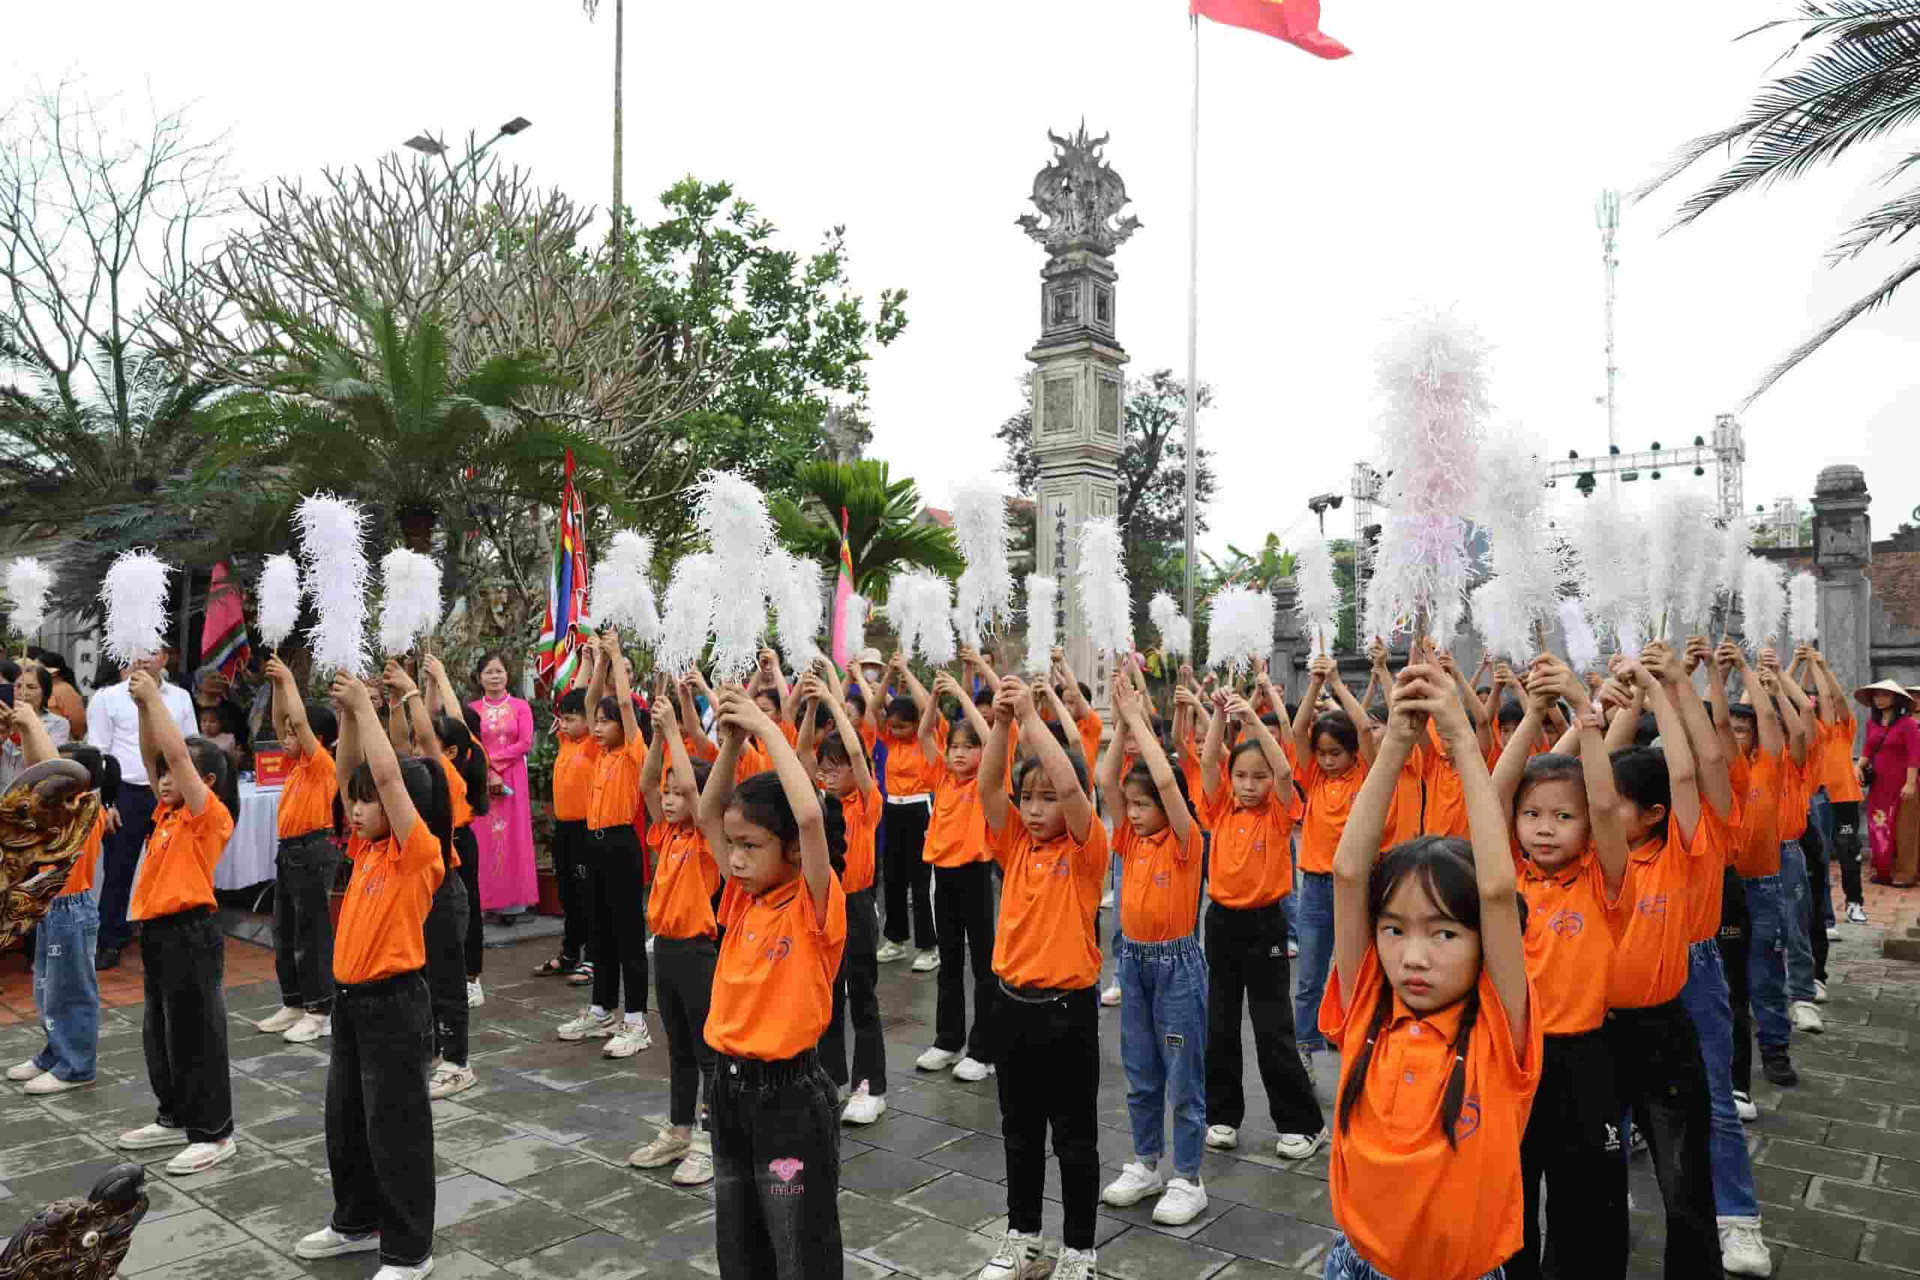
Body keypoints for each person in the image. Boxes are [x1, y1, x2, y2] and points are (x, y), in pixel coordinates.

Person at [1320, 657, 1539, 1280]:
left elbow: (1497, 890)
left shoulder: (1500, 1030)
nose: (1413, 956)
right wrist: (1394, 744)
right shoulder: (1369, 1004)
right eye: (1394, 929)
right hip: (1356, 1264)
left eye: (1444, 932)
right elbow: (1346, 873)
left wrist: (1464, 740)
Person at [292, 672, 447, 1280]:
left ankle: (410, 1251)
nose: (356, 810)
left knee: (397, 1130)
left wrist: (368, 708)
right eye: (353, 802)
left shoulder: (418, 854)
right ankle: (356, 1222)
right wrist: (353, 717)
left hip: (395, 1006)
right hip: (352, 1005)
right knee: (346, 1121)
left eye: (369, 801)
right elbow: (353, 772)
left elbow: (386, 776)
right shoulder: (366, 849)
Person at [1488, 657, 1631, 1280]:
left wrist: (1587, 715)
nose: (1545, 828)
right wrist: (1537, 713)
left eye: (1561, 817)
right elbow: (1495, 789)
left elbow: (1602, 802)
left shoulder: (1604, 881)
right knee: (1509, 1197)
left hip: (1585, 1059)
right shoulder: (1505, 879)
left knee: (1586, 1202)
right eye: (1533, 815)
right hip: (1513, 1061)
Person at [698, 686, 847, 1279]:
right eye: (732, 847)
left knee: (799, 1247)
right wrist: (731, 744)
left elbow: (808, 813)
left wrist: (764, 724)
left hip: (789, 1099)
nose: (734, 858)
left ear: (790, 852)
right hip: (728, 1092)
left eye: (750, 847)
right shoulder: (742, 899)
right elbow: (709, 813)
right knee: (739, 1242)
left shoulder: (812, 906)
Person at [976, 678, 1106, 1280]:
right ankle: (1023, 1236)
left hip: (1066, 1012)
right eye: (1028, 798)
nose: (1033, 810)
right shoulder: (1015, 846)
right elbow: (987, 785)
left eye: (1046, 799)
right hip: (1010, 1006)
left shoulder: (1085, 850)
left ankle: (1079, 1248)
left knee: (1074, 1138)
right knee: (1018, 1132)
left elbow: (1075, 786)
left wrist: (1032, 715)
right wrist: (1003, 722)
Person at [1604, 651, 1726, 1275]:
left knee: (1683, 1181)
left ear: (1652, 815)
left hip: (1661, 1029)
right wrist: (1615, 707)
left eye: (1617, 805)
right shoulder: (1589, 859)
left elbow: (1690, 773)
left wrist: (1661, 689)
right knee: (1592, 1184)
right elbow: (1588, 776)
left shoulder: (1678, 854)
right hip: (1591, 1032)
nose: (1601, 812)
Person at [1097, 672, 1213, 1227]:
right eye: (1132, 804)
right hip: (1134, 963)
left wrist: (1143, 723)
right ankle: (1145, 1162)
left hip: (1178, 967)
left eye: (1145, 804)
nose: (1137, 811)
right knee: (1140, 1070)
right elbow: (1103, 776)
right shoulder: (1128, 841)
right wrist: (1121, 726)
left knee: (1182, 1074)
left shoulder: (1187, 844)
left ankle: (1188, 1176)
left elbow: (1168, 784)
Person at [1197, 668, 1326, 1167]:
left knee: (1272, 1025)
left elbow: (1289, 770)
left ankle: (1300, 1124)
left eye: (1259, 777)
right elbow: (1209, 758)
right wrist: (1218, 716)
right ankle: (1222, 1114)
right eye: (1242, 777)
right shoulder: (1220, 809)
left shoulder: (1279, 811)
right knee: (1221, 1023)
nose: (1250, 785)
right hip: (1222, 923)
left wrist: (1251, 715)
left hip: (1267, 924)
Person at [114, 667, 240, 1176]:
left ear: (204, 783)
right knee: (160, 1032)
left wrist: (158, 699)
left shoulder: (206, 815)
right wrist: (144, 707)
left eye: (174, 773)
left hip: (192, 933)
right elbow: (154, 754)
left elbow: (179, 756)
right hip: (158, 934)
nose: (163, 777)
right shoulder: (165, 813)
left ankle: (214, 1133)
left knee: (197, 1035)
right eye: (161, 772)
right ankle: (173, 1115)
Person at [627, 692, 720, 1185]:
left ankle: (710, 1138)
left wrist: (673, 735)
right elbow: (646, 783)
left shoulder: (707, 836)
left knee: (708, 1051)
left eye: (678, 793)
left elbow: (693, 786)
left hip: (700, 952)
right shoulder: (667, 835)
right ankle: (679, 1129)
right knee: (678, 1047)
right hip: (664, 947)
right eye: (669, 792)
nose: (668, 797)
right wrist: (660, 738)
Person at [799, 665, 889, 1125]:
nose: (831, 775)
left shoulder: (867, 803)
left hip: (856, 904)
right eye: (826, 768)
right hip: (824, 905)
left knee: (863, 996)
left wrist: (836, 702)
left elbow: (857, 750)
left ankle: (870, 1084)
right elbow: (799, 755)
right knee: (828, 995)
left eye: (839, 769)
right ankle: (831, 1076)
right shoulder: (819, 802)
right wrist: (812, 704)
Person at [3, 708, 110, 1094]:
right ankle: (55, 1052)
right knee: (48, 987)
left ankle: (77, 1066)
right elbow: (40, 768)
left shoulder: (86, 809)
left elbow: (52, 771)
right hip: (50, 906)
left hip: (72, 910)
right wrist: (26, 729)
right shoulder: (58, 811)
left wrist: (32, 722)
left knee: (72, 991)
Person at [557, 632, 653, 1054]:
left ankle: (636, 1020)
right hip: (591, 846)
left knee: (628, 933)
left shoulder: (634, 752)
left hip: (620, 846)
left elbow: (626, 707)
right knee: (600, 933)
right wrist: (595, 661)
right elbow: (590, 698)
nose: (597, 727)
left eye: (605, 722)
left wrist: (615, 655)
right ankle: (601, 1011)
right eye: (596, 721)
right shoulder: (597, 753)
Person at [1291, 652, 1384, 1065]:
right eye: (1322, 753)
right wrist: (1314, 685)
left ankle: (1356, 1042)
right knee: (1309, 976)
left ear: (1352, 754)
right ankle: (1306, 1051)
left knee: (1355, 972)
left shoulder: (1364, 774)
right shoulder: (1311, 777)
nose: (1328, 761)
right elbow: (1298, 730)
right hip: (1313, 888)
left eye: (1336, 754)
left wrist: (1338, 683)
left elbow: (1363, 726)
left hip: (1354, 888)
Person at [1718, 643, 1802, 1089]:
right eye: (1730, 729)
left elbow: (1771, 719)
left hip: (1764, 885)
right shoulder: (1720, 772)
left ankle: (1775, 1049)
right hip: (1725, 889)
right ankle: (1731, 1065)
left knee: (1766, 973)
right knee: (1728, 983)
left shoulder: (1770, 767)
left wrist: (1747, 669)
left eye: (1743, 729)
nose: (1737, 734)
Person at [913, 666, 1000, 1082]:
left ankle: (984, 1049)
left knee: (984, 964)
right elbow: (924, 735)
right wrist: (935, 697)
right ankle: (948, 1040)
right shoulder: (943, 778)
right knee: (948, 962)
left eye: (969, 747)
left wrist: (965, 699)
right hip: (942, 878)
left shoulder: (986, 781)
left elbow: (990, 733)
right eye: (955, 748)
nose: (960, 754)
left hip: (976, 875)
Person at [86, 654, 198, 970]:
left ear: (164, 656)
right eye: (139, 649)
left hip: (170, 792)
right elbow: (98, 754)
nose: (144, 657)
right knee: (118, 871)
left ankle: (170, 934)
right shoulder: (108, 698)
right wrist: (105, 803)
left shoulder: (180, 697)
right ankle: (110, 939)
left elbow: (192, 746)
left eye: (153, 649)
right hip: (125, 793)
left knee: (172, 866)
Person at [253, 657, 341, 1046]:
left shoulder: (322, 764)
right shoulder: (296, 767)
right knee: (284, 930)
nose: (284, 737)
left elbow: (299, 723)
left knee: (311, 934)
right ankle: (293, 1001)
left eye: (293, 734)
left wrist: (289, 679)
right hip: (289, 852)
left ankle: (320, 1008)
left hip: (313, 850)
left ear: (315, 739)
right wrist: (276, 686)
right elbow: (282, 721)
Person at [423, 656, 489, 1004]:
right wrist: (431, 683)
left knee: (469, 910)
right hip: (437, 844)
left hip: (461, 842)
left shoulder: (468, 759)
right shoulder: (432, 764)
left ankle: (471, 977)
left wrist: (443, 676)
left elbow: (456, 720)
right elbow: (431, 718)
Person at [875, 652, 941, 970]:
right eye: (893, 727)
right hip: (893, 809)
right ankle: (896, 939)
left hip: (920, 810)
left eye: (903, 727)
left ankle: (929, 946)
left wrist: (907, 672)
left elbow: (929, 706)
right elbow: (875, 708)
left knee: (920, 879)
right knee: (894, 877)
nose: (896, 732)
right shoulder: (889, 740)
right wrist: (889, 673)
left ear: (915, 724)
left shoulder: (926, 740)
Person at [537, 652, 599, 983]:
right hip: (564, 829)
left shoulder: (591, 744)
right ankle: (570, 952)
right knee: (567, 894)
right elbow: (570, 697)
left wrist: (595, 664)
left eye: (574, 718)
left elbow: (587, 700)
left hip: (587, 830)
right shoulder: (565, 741)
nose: (566, 723)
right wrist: (584, 661)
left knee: (588, 895)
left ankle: (594, 958)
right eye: (564, 718)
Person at [469, 651, 538, 920]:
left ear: (507, 674)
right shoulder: (472, 710)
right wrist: (486, 770)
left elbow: (525, 743)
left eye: (499, 671)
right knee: (484, 837)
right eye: (489, 672)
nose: (494, 676)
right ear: (479, 677)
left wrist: (492, 762)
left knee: (514, 837)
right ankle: (488, 902)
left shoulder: (521, 706)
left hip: (513, 777)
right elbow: (471, 744)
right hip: (481, 778)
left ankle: (515, 903)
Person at [1804, 651, 1868, 924]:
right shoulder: (1806, 728)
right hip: (1815, 798)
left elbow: (1838, 699)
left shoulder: (1843, 726)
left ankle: (1854, 904)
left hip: (1844, 798)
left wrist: (1822, 666)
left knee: (1848, 850)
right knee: (1818, 857)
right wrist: (1807, 665)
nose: (1820, 699)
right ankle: (1821, 915)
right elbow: (1802, 692)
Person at [1857, 678, 1920, 887]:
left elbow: (1914, 756)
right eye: (1877, 695)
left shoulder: (1908, 724)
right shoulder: (1871, 723)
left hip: (1903, 785)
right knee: (1878, 826)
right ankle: (1883, 871)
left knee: (1904, 831)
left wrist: (1910, 784)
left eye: (1885, 694)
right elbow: (1867, 749)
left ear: (1897, 698)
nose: (1880, 699)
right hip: (1880, 786)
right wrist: (1858, 767)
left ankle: (1905, 873)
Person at [0, 662, 72, 790]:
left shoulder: (58, 724)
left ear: (45, 692)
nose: (23, 692)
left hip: (30, 795)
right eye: (18, 686)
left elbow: (50, 763)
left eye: (31, 687)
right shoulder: (3, 717)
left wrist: (18, 731)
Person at [33, 650, 87, 741]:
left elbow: (77, 723)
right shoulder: (39, 688)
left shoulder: (65, 690)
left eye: (38, 669)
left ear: (54, 672)